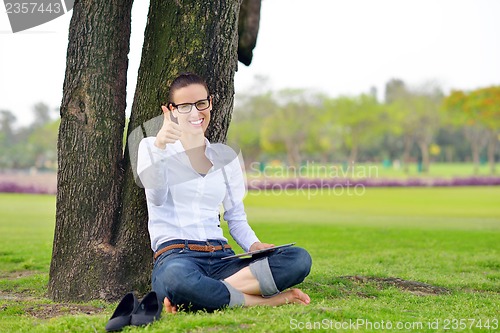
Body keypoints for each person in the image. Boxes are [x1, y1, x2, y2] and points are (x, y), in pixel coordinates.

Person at [137, 72, 312, 313]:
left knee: (298, 259)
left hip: (222, 258)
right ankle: (268, 300)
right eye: (185, 106)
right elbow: (156, 199)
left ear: (210, 103)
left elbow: (236, 217)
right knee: (176, 280)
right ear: (171, 110)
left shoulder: (225, 159)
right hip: (177, 257)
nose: (196, 113)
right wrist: (160, 147)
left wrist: (254, 245)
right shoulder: (151, 147)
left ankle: (200, 296)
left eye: (201, 103)